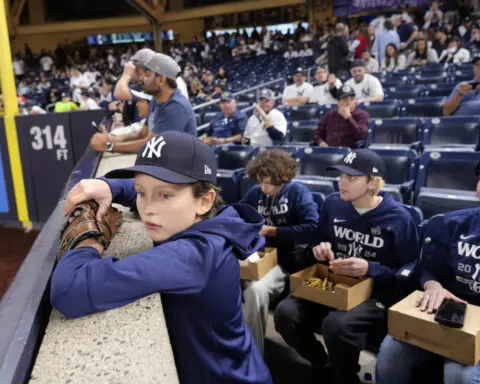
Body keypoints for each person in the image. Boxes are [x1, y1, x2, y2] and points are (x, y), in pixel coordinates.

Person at [52, 131, 272, 384]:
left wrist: (91, 239)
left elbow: (70, 288)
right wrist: (109, 186)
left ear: (204, 200)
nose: (147, 209)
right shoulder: (210, 218)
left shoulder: (195, 256)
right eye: (141, 193)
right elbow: (151, 192)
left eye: (164, 195)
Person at [274, 149, 419, 384]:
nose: (342, 182)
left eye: (351, 178)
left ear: (372, 183)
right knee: (284, 314)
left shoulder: (399, 219)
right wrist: (318, 250)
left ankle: (345, 377)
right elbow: (315, 244)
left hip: (373, 294)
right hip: (332, 282)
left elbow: (407, 276)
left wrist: (370, 268)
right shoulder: (333, 204)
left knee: (337, 325)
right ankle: (322, 363)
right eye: (341, 175)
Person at [376, 167, 480, 384]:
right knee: (392, 350)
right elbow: (429, 269)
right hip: (445, 312)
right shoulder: (454, 224)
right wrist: (433, 286)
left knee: (459, 374)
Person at [240, 149, 319, 355]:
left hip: (285, 262)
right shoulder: (255, 193)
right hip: (257, 257)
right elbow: (238, 216)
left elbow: (312, 228)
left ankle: (252, 355)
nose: (263, 187)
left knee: (256, 290)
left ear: (281, 176)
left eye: (268, 182)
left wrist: (274, 231)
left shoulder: (297, 193)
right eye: (259, 181)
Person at [90, 53, 197, 153]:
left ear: (161, 80)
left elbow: (151, 145)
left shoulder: (176, 107)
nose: (142, 79)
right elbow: (142, 134)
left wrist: (109, 146)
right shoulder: (156, 100)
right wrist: (111, 139)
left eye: (147, 75)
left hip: (181, 169)